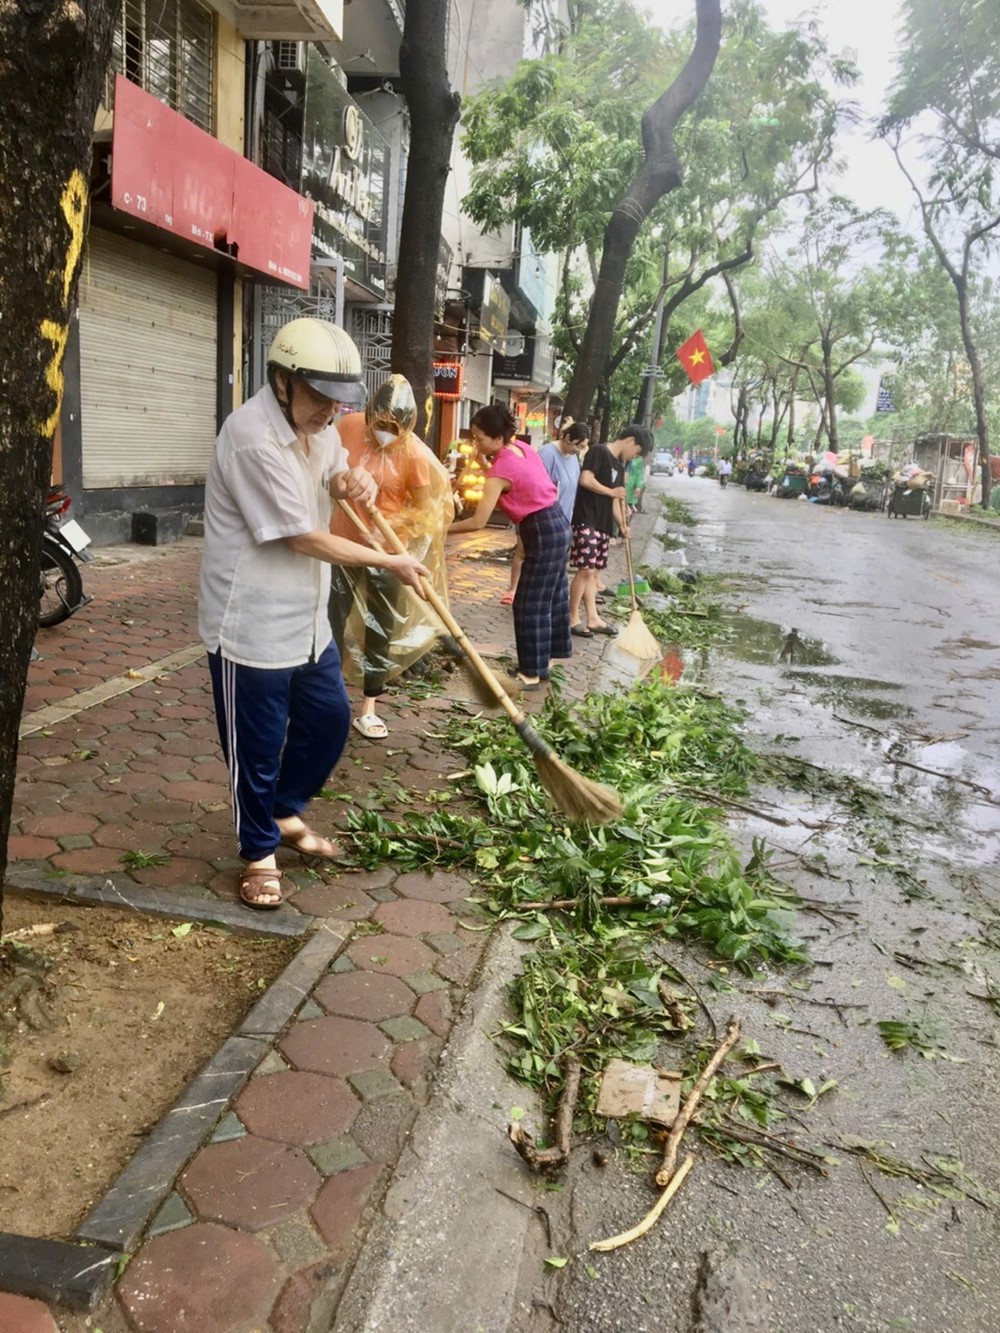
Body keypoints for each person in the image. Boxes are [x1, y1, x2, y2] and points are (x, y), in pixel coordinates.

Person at [198, 318, 429, 910]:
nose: (331, 410)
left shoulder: (320, 429)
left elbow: (331, 478)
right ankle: (257, 852)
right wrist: (390, 559)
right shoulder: (249, 435)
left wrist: (352, 481)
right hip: (250, 622)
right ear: (282, 382)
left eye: (337, 400)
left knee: (328, 722)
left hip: (307, 620)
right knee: (256, 745)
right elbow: (300, 536)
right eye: (320, 396)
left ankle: (282, 809)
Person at [328, 375, 453, 739]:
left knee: (378, 630)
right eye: (379, 423)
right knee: (330, 622)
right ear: (368, 414)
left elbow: (426, 512)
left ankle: (369, 707)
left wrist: (387, 527)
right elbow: (326, 470)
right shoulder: (347, 427)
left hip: (387, 554)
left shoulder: (413, 454)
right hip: (342, 544)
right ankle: (327, 699)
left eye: (392, 427)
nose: (384, 432)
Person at [449, 404, 571, 688]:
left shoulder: (500, 470)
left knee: (528, 603)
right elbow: (510, 476)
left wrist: (442, 529)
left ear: (496, 437)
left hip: (541, 529)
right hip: (558, 523)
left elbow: (478, 522)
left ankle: (529, 672)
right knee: (551, 596)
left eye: (480, 438)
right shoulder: (522, 450)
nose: (476, 443)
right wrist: (481, 463)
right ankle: (546, 661)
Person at [569, 424, 653, 637]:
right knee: (585, 570)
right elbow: (586, 480)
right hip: (586, 519)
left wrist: (623, 525)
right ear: (631, 441)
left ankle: (593, 617)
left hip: (603, 524)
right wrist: (611, 491)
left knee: (593, 572)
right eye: (637, 452)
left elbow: (615, 500)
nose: (635, 456)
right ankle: (572, 618)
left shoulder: (620, 465)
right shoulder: (599, 451)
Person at [538, 420, 589, 523]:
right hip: (547, 521)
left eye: (583, 447)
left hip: (565, 521)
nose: (579, 451)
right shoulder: (547, 454)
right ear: (568, 438)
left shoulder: (573, 458)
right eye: (579, 446)